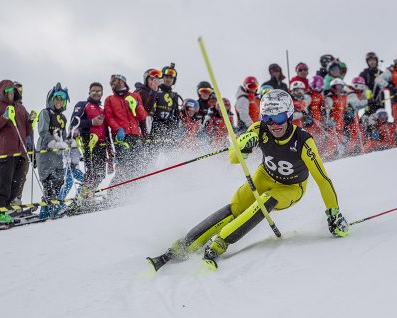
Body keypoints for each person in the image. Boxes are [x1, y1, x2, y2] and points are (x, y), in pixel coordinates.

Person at [147, 89, 349, 271]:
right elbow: (233, 158)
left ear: (288, 115)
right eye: (268, 118)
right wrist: (243, 145)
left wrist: (334, 212)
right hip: (265, 175)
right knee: (236, 207)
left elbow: (323, 180)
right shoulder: (259, 128)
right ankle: (183, 246)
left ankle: (219, 244)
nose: (274, 124)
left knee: (266, 200)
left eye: (279, 117)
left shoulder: (303, 141)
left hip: (291, 187)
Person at [0, 80, 33, 223]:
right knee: (4, 184)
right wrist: (4, 117)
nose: (10, 94)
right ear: (2, 93)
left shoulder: (20, 107)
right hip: (6, 151)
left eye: (12, 91)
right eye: (7, 92)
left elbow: (26, 131)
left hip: (21, 151)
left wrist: (31, 121)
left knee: (16, 184)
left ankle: (5, 211)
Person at [104, 74, 147, 183]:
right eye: (111, 82)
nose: (113, 83)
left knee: (138, 165)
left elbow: (142, 117)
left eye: (115, 81)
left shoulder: (135, 96)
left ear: (122, 81)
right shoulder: (109, 99)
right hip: (121, 138)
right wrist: (118, 129)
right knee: (124, 167)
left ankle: (135, 192)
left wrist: (137, 106)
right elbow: (109, 118)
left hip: (136, 136)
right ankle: (113, 195)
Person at [70, 82, 109, 202]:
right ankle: (81, 200)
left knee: (101, 174)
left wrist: (110, 149)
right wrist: (91, 122)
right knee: (91, 173)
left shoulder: (102, 109)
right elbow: (74, 121)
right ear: (89, 93)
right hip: (89, 142)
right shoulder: (83, 104)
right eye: (94, 91)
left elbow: (105, 129)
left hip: (102, 145)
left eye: (99, 91)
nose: (96, 94)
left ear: (102, 93)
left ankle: (88, 195)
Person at [36, 84, 70, 220]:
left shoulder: (63, 117)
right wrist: (52, 143)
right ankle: (54, 207)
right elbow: (43, 131)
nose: (59, 102)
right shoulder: (45, 113)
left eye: (62, 99)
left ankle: (45, 211)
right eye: (56, 99)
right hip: (46, 151)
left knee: (59, 180)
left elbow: (64, 135)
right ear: (51, 99)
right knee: (49, 180)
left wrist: (68, 143)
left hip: (58, 154)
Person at [152, 64, 181, 146]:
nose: (168, 79)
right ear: (162, 77)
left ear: (174, 80)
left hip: (168, 128)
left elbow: (176, 115)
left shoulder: (174, 95)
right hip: (154, 125)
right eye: (166, 77)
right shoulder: (155, 90)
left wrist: (174, 128)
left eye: (171, 78)